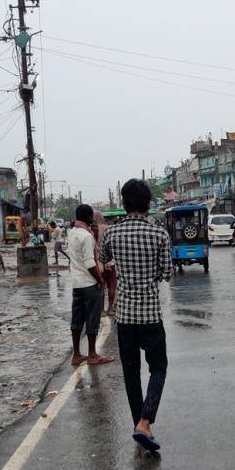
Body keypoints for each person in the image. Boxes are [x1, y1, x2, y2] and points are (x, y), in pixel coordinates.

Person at [100, 179, 173, 452]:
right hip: (150, 314)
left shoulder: (111, 234)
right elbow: (166, 273)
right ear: (148, 204)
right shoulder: (159, 234)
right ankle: (145, 422)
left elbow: (105, 260)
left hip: (125, 315)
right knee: (159, 368)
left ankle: (140, 426)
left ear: (123, 204)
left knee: (131, 373)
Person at [67, 205, 114, 367]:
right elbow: (89, 262)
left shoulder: (72, 233)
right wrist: (101, 280)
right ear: (88, 217)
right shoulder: (86, 236)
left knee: (77, 319)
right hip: (89, 283)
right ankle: (92, 354)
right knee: (92, 319)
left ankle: (77, 354)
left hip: (76, 283)